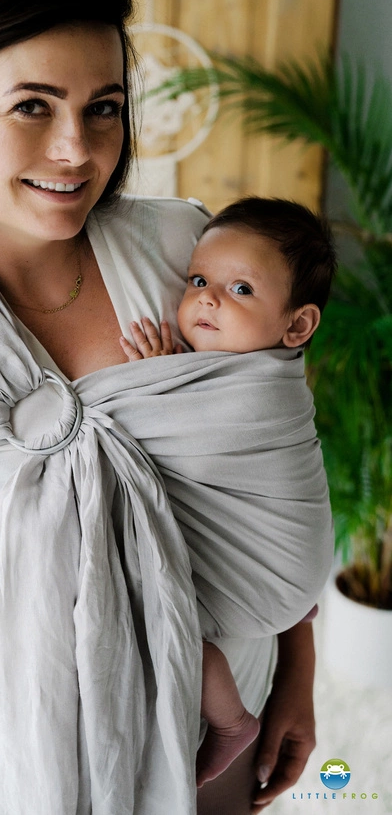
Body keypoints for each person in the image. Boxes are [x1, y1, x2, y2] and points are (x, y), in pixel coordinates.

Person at [0, 0, 333, 815]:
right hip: (29, 778)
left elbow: (269, 467)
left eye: (104, 109)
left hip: (223, 744)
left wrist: (296, 670)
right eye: (32, 105)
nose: (76, 150)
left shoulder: (186, 255)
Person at [120, 196, 337, 789]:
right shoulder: (235, 371)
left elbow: (160, 440)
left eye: (240, 289)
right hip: (288, 569)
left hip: (275, 573)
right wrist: (176, 376)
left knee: (148, 607)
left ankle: (230, 720)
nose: (208, 299)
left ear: (297, 326)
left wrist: (156, 380)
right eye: (198, 281)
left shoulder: (267, 392)